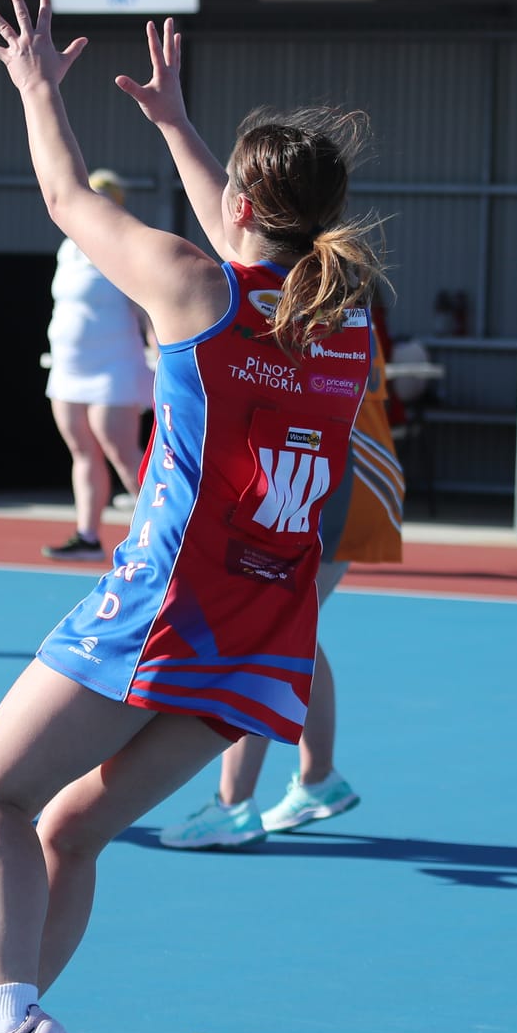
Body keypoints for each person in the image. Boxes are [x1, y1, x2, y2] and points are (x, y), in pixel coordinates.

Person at [0, 0, 384, 1033]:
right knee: (70, 834)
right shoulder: (344, 325)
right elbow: (248, 243)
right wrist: (179, 129)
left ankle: (7, 1017)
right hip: (262, 638)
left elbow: (64, 199)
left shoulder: (194, 288)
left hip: (162, 610)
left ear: (238, 207)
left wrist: (36, 84)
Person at [154, 311, 405, 849]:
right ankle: (317, 779)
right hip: (331, 477)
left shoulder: (295, 301)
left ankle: (234, 805)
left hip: (327, 482)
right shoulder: (326, 297)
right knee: (293, 632)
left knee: (264, 634)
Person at [41, 168, 154, 561]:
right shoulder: (67, 249)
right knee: (81, 449)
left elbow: (148, 309)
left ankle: (160, 536)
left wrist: (158, 350)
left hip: (115, 365)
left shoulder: (125, 249)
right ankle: (88, 536)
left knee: (120, 448)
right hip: (69, 366)